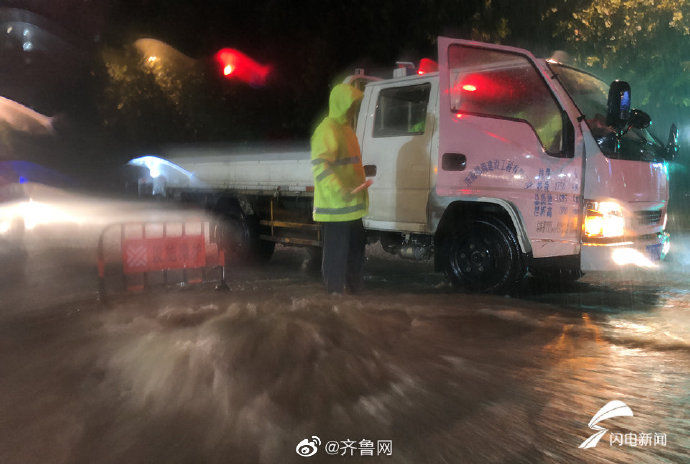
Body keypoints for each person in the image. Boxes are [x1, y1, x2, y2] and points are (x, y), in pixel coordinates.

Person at [310, 83, 371, 294]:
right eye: (351, 104)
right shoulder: (327, 130)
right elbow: (321, 167)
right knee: (336, 259)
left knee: (355, 254)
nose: (354, 108)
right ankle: (334, 301)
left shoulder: (346, 130)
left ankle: (354, 296)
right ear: (341, 104)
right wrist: (340, 189)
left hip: (351, 206)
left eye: (355, 105)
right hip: (336, 207)